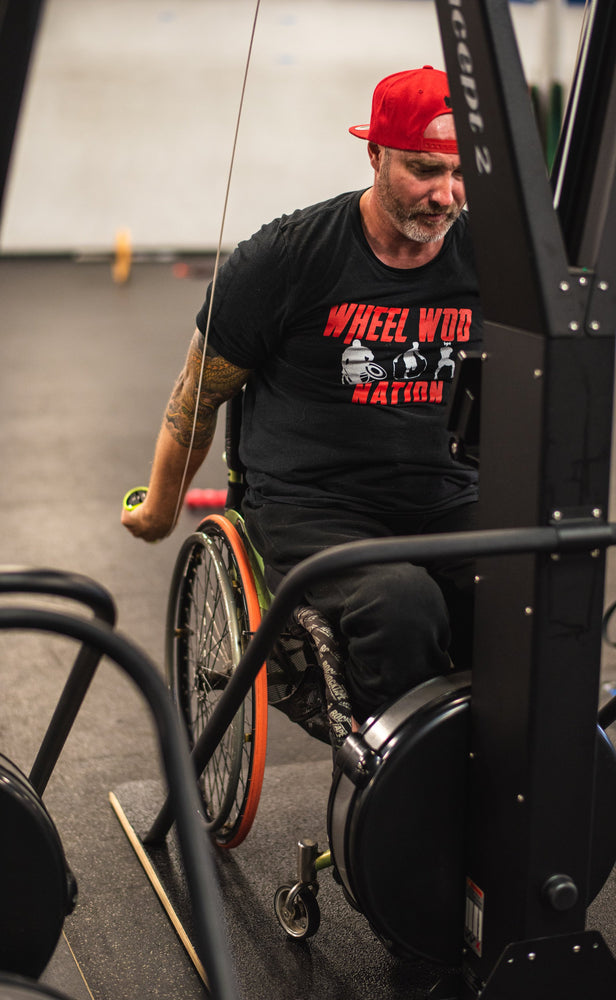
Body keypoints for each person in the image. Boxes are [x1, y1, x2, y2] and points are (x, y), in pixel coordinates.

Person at [122, 66, 483, 725]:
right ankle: (394, 793)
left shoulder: (486, 259)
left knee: (522, 586)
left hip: (446, 495)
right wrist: (160, 507)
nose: (446, 195)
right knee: (402, 602)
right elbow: (197, 394)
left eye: (461, 175)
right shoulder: (288, 258)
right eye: (425, 170)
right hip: (314, 506)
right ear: (374, 153)